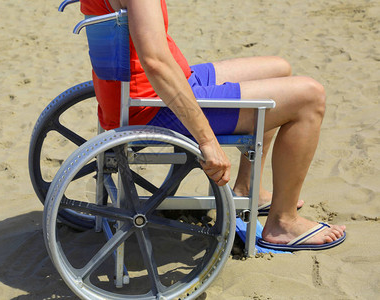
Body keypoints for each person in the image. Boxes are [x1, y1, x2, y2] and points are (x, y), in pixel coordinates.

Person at [80, 0, 346, 250]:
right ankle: (284, 223)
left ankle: (248, 186)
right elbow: (156, 63)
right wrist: (207, 141)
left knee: (279, 68)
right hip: (152, 106)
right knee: (310, 97)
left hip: (141, 93)